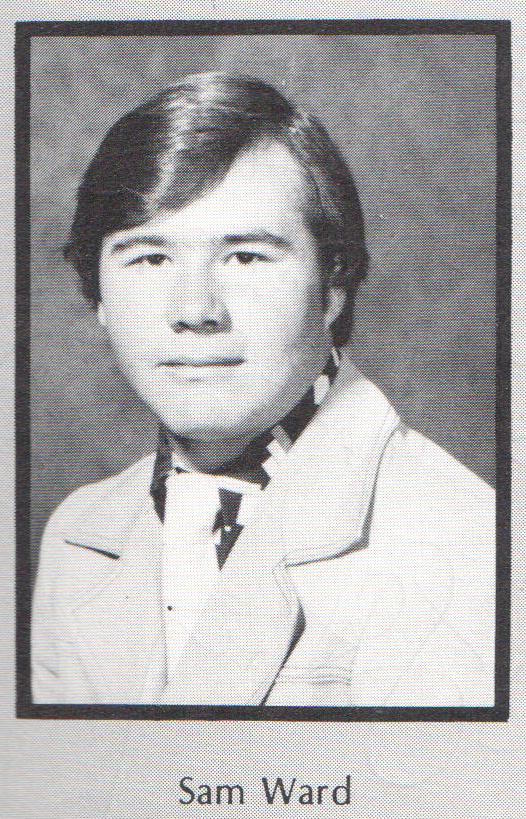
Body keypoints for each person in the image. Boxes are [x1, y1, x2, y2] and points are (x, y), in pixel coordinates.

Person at [31, 72, 495, 707]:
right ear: (100, 298)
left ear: (333, 287)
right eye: (150, 258)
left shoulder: (462, 541)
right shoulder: (77, 535)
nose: (195, 311)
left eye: (246, 257)